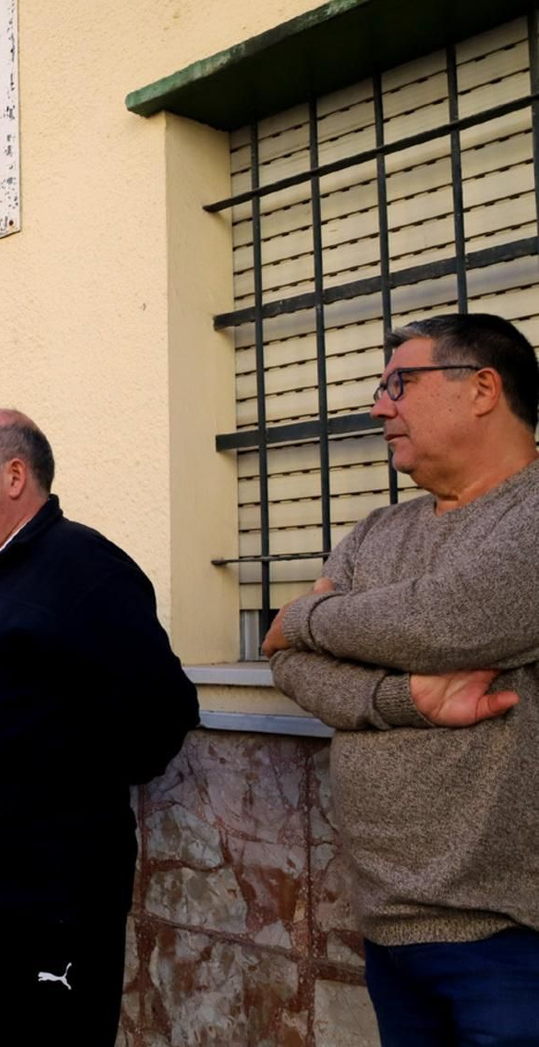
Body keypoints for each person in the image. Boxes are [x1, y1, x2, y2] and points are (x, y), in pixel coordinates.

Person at [263, 312, 539, 1045]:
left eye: (399, 383)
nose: (379, 405)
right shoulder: (377, 532)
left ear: (482, 388)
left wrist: (307, 616)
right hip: (388, 926)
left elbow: (448, 618)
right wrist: (398, 698)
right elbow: (286, 663)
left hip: (511, 937)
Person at [0, 410, 198, 1045]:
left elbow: (162, 714)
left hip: (41, 907)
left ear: (16, 476)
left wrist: (46, 795)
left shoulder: (82, 568)